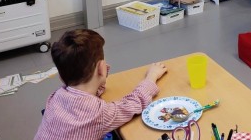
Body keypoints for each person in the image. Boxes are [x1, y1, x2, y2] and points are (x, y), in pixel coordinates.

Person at [34, 29, 168, 140]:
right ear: (102, 68)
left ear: (61, 76)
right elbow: (135, 102)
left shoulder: (55, 98)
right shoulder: (99, 114)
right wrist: (151, 76)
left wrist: (100, 74)